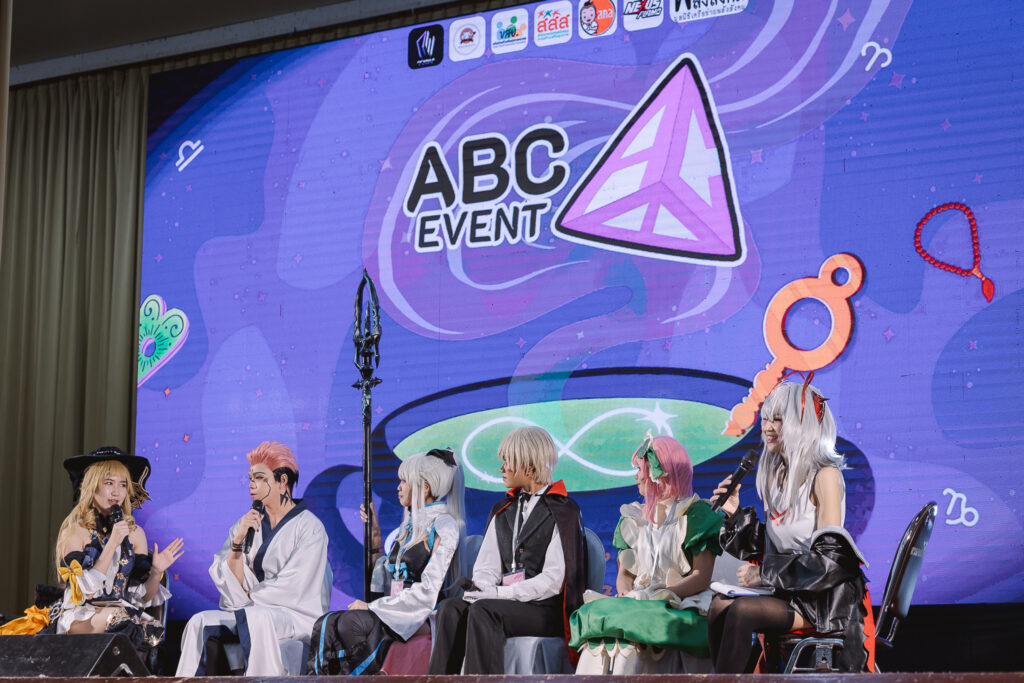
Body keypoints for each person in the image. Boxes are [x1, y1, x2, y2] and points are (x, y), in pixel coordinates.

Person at [708, 381, 873, 673]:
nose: (767, 427)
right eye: (766, 419)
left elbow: (830, 563)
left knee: (742, 611)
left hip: (824, 602)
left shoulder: (825, 475)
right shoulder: (777, 475)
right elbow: (772, 546)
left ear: (801, 424)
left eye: (778, 419)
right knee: (718, 606)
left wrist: (763, 573)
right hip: (791, 593)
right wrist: (734, 514)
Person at [427, 426, 587, 675]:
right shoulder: (502, 510)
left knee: (484, 611)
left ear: (529, 467)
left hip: (544, 609)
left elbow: (553, 581)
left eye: (507, 462)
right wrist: (482, 588)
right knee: (450, 609)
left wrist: (500, 593)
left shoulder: (564, 510)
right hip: (505, 602)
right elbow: (487, 566)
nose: (501, 468)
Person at [175, 441, 330, 676]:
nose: (251, 485)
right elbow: (230, 581)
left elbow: (297, 583)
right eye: (250, 478)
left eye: (259, 478)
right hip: (252, 609)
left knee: (258, 617)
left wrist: (250, 597)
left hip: (296, 616)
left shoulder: (310, 527)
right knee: (200, 621)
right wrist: (237, 543)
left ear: (282, 481)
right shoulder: (245, 523)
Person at [570, 433, 722, 674]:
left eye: (640, 469)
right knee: (596, 612)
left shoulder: (695, 515)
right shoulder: (634, 518)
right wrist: (627, 593)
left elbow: (701, 576)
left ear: (658, 474)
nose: (636, 476)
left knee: (639, 616)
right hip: (641, 599)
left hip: (680, 601)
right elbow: (625, 574)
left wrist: (665, 593)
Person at [307, 449, 466, 675]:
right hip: (395, 610)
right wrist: (375, 536)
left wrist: (373, 607)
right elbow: (388, 580)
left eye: (404, 481)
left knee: (349, 623)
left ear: (425, 488)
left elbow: (428, 593)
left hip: (419, 616)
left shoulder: (444, 525)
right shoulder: (408, 528)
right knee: (327, 622)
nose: (398, 487)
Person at [46, 446, 184, 664]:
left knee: (150, 630)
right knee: (119, 618)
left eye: (123, 484)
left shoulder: (136, 534)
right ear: (92, 485)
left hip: (121, 615)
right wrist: (112, 543)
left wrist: (156, 572)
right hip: (80, 616)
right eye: (109, 483)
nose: (116, 492)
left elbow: (143, 598)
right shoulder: (74, 532)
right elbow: (87, 592)